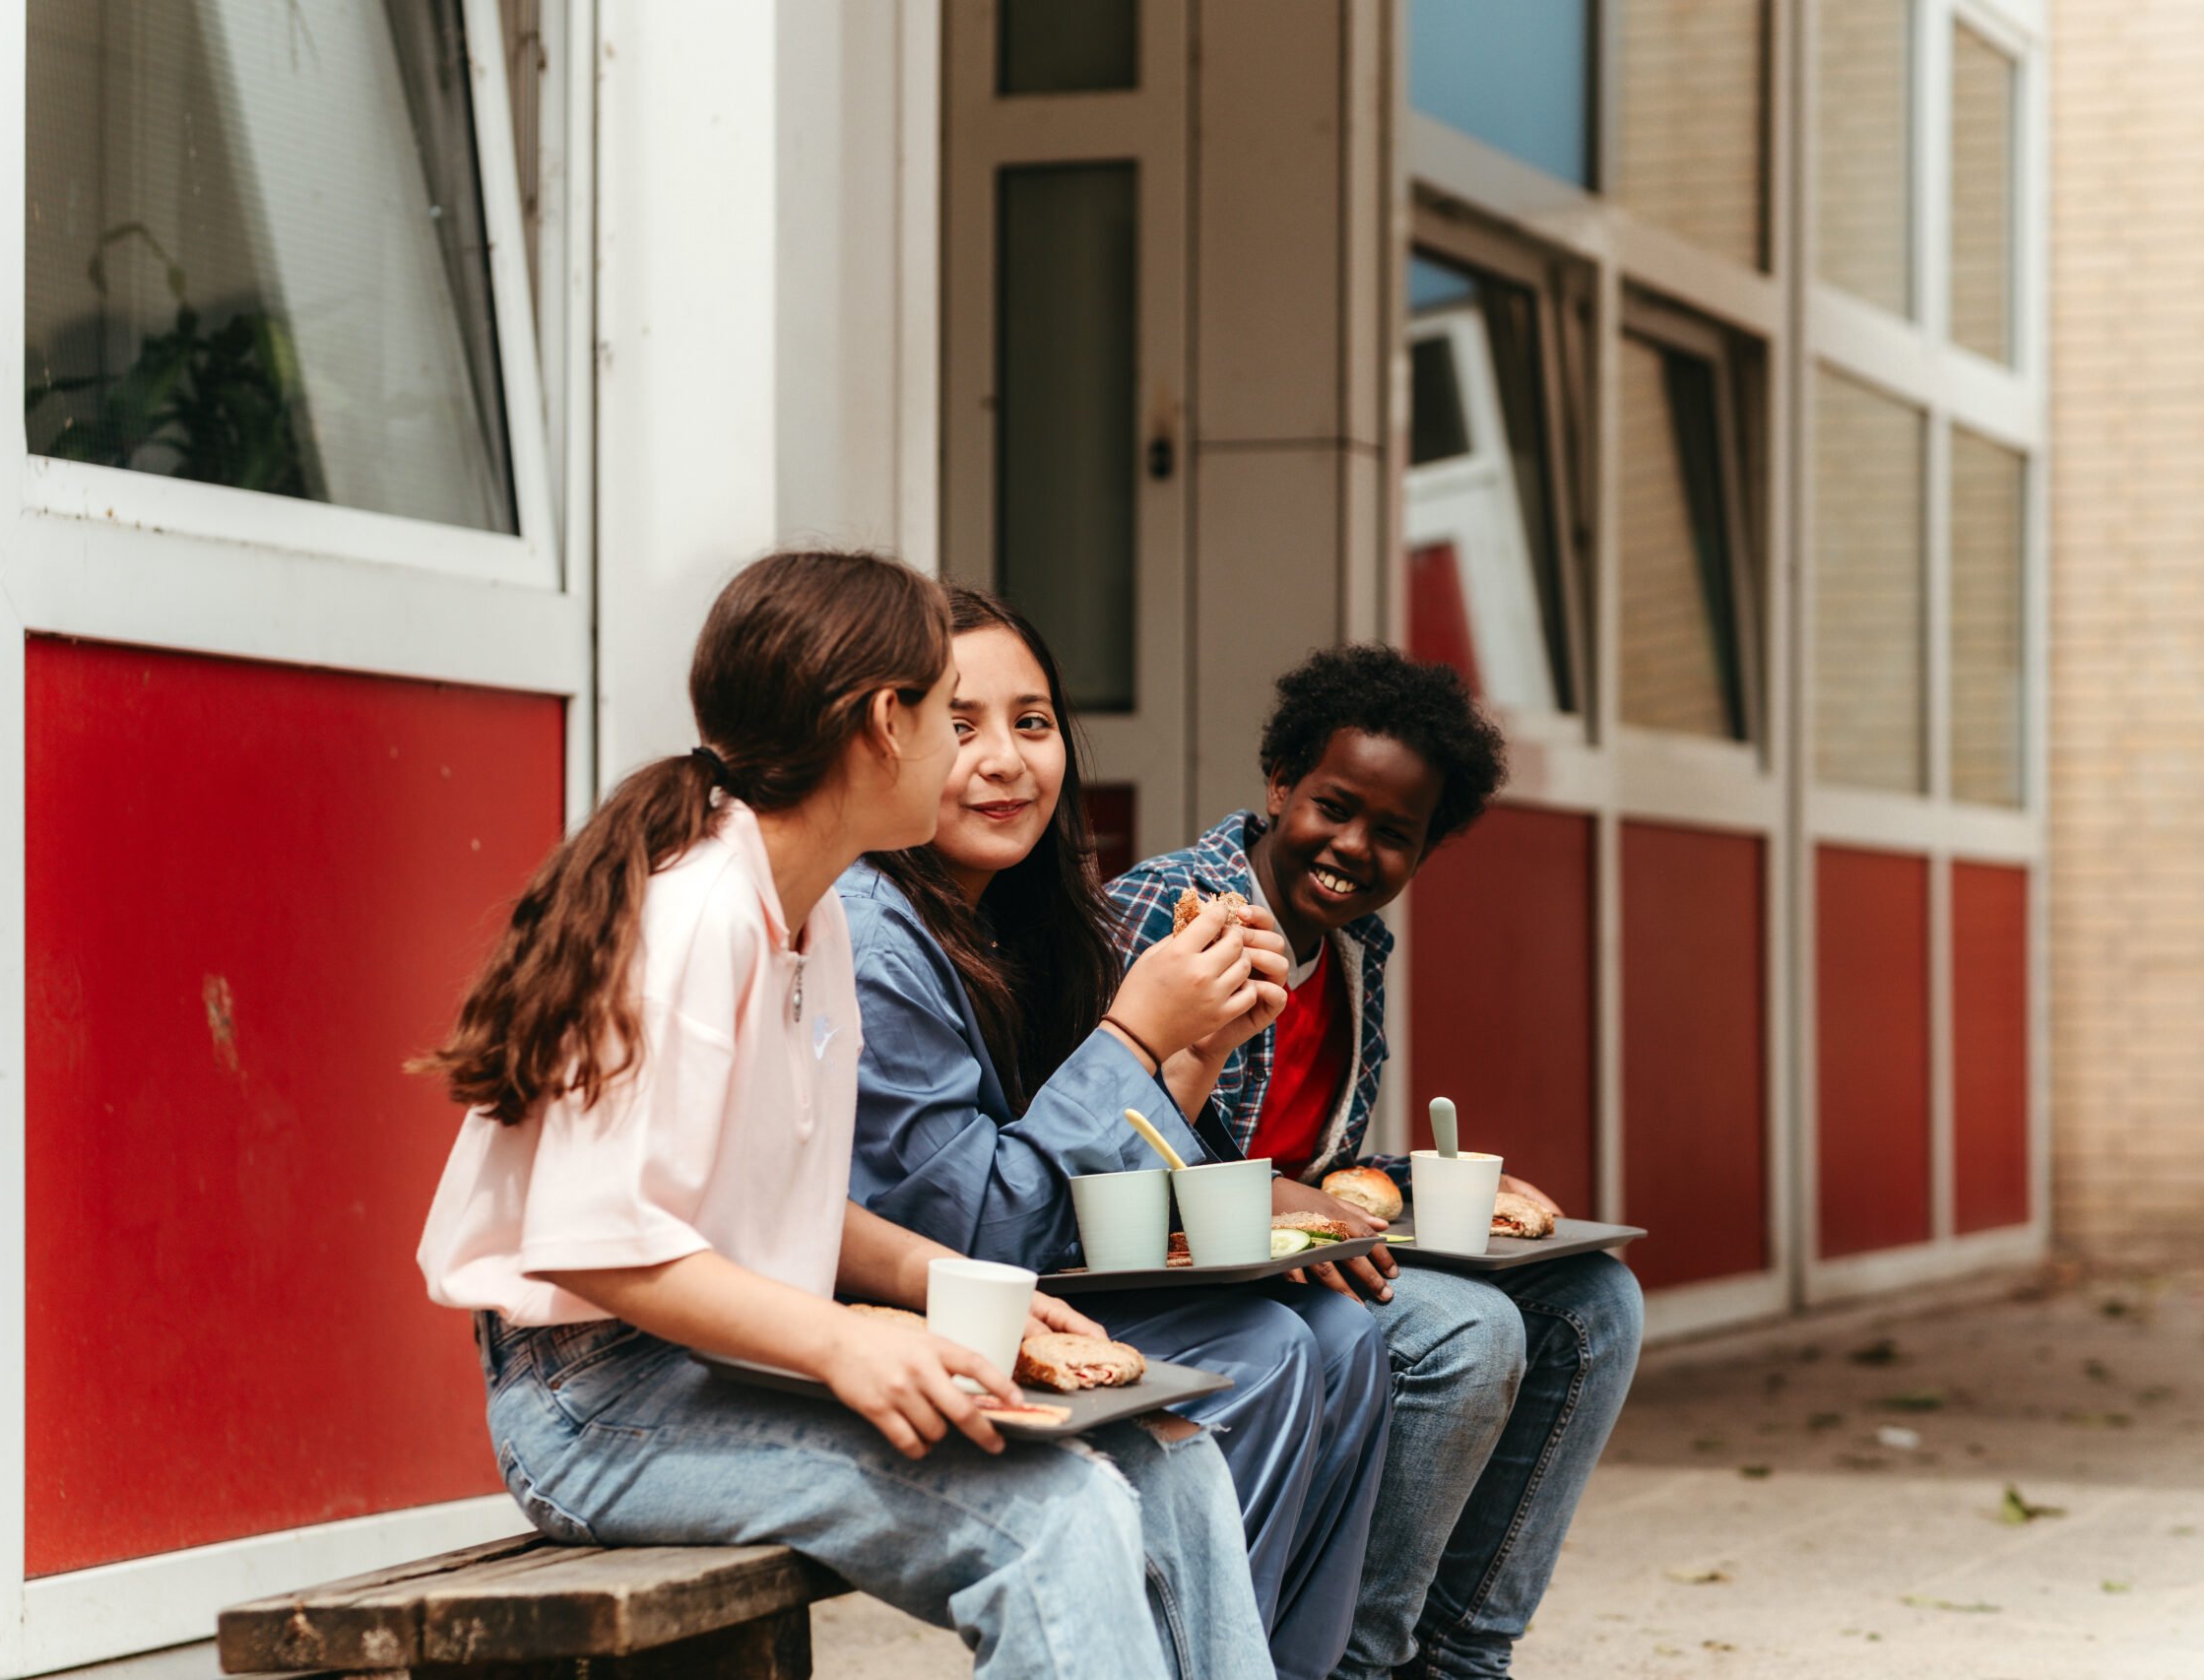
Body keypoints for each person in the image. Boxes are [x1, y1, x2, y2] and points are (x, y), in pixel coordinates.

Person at [413, 551, 1273, 1680]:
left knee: (1170, 1455)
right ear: (883, 722)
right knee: (1052, 1513)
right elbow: (599, 1244)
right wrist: (848, 1337)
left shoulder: (806, 915)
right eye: (947, 714)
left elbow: (793, 1203)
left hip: (715, 1360)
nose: (979, 752)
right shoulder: (692, 916)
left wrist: (968, 1298)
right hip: (598, 1400)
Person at [840, 588, 1391, 1680]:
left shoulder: (1021, 912)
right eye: (962, 725)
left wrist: (1199, 1047)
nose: (1006, 759)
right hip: (899, 1307)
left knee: (1349, 1334)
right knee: (1270, 1349)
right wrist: (1142, 1031)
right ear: (885, 741)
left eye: (1033, 722)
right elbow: (984, 1227)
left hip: (1030, 1273)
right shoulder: (874, 938)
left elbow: (1073, 1174)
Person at [1109, 643, 1645, 1680]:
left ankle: (1456, 1656)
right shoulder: (1170, 906)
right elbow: (1103, 1125)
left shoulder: (1355, 947)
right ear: (1279, 784)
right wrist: (1278, 1195)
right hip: (1182, 1271)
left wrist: (1409, 1181)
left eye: (1394, 833)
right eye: (1333, 805)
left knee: (1594, 1300)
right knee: (1468, 1330)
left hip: (1291, 1253)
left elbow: (1314, 1156)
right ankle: (1358, 1661)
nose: (1352, 846)